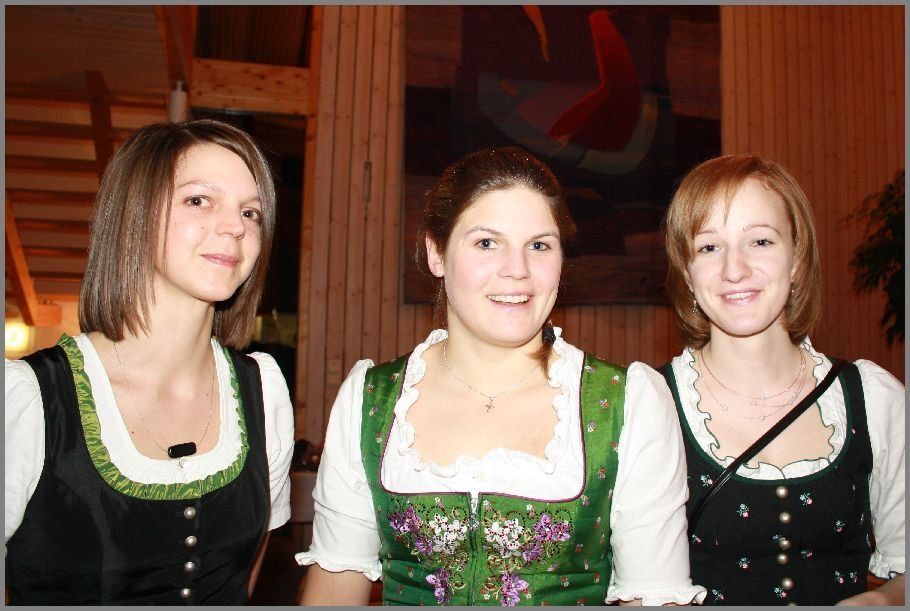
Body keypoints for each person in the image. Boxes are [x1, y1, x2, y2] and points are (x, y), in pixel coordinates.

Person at [296, 147, 705, 606]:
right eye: (487, 243)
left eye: (539, 245)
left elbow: (652, 597)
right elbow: (335, 589)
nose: (517, 270)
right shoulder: (371, 400)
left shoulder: (628, 403)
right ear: (436, 253)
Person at [5, 120, 295, 604]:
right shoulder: (27, 399)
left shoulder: (263, 390)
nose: (236, 226)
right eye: (199, 200)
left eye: (251, 212)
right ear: (133, 215)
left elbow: (241, 582)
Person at [660, 154, 905, 605]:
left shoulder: (874, 397)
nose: (735, 270)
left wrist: (883, 600)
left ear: (796, 259)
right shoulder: (651, 405)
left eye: (760, 241)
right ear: (687, 273)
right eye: (709, 247)